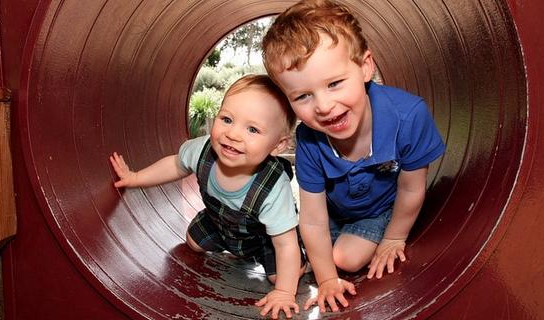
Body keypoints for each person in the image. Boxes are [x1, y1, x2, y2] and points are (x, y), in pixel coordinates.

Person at [262, 0, 446, 313]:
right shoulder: (310, 138)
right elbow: (314, 218)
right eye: (303, 96)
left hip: (380, 209)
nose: (323, 106)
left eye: (334, 84)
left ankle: (370, 234)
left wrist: (394, 238)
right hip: (335, 212)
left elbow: (412, 187)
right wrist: (327, 280)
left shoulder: (408, 116)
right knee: (286, 260)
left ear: (365, 67)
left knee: (345, 258)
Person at [110, 74, 306, 319]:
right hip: (219, 222)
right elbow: (175, 165)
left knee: (279, 274)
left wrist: (285, 292)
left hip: (264, 238)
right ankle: (230, 246)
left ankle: (302, 260)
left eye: (252, 129)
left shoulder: (273, 188)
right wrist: (135, 178)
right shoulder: (203, 149)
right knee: (192, 242)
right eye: (227, 119)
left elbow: (284, 243)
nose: (233, 134)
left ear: (278, 145)